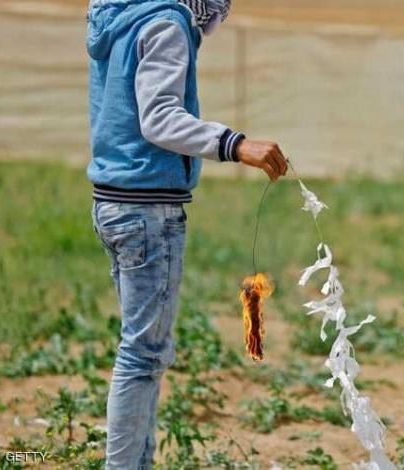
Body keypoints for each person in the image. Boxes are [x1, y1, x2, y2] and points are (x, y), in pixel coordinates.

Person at [86, 0, 288, 467]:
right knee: (143, 355)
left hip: (114, 203)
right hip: (146, 209)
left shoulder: (120, 16)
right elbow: (158, 119)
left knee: (141, 351)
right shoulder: (166, 22)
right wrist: (235, 144)